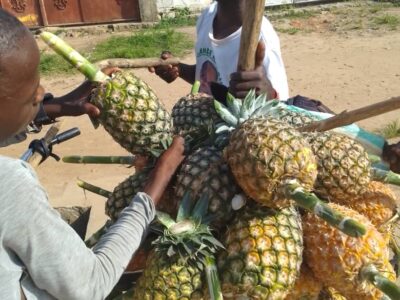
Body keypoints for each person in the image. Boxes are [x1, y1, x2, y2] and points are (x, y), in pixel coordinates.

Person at [0, 9, 185, 300]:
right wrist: (156, 183)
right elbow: (90, 285)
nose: (42, 92)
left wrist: (56, 106)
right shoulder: (9, 184)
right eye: (31, 92)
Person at [149, 0, 289, 100]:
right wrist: (179, 69)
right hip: (207, 127)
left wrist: (269, 94)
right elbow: (210, 76)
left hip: (240, 136)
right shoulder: (207, 16)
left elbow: (281, 104)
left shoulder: (261, 37)